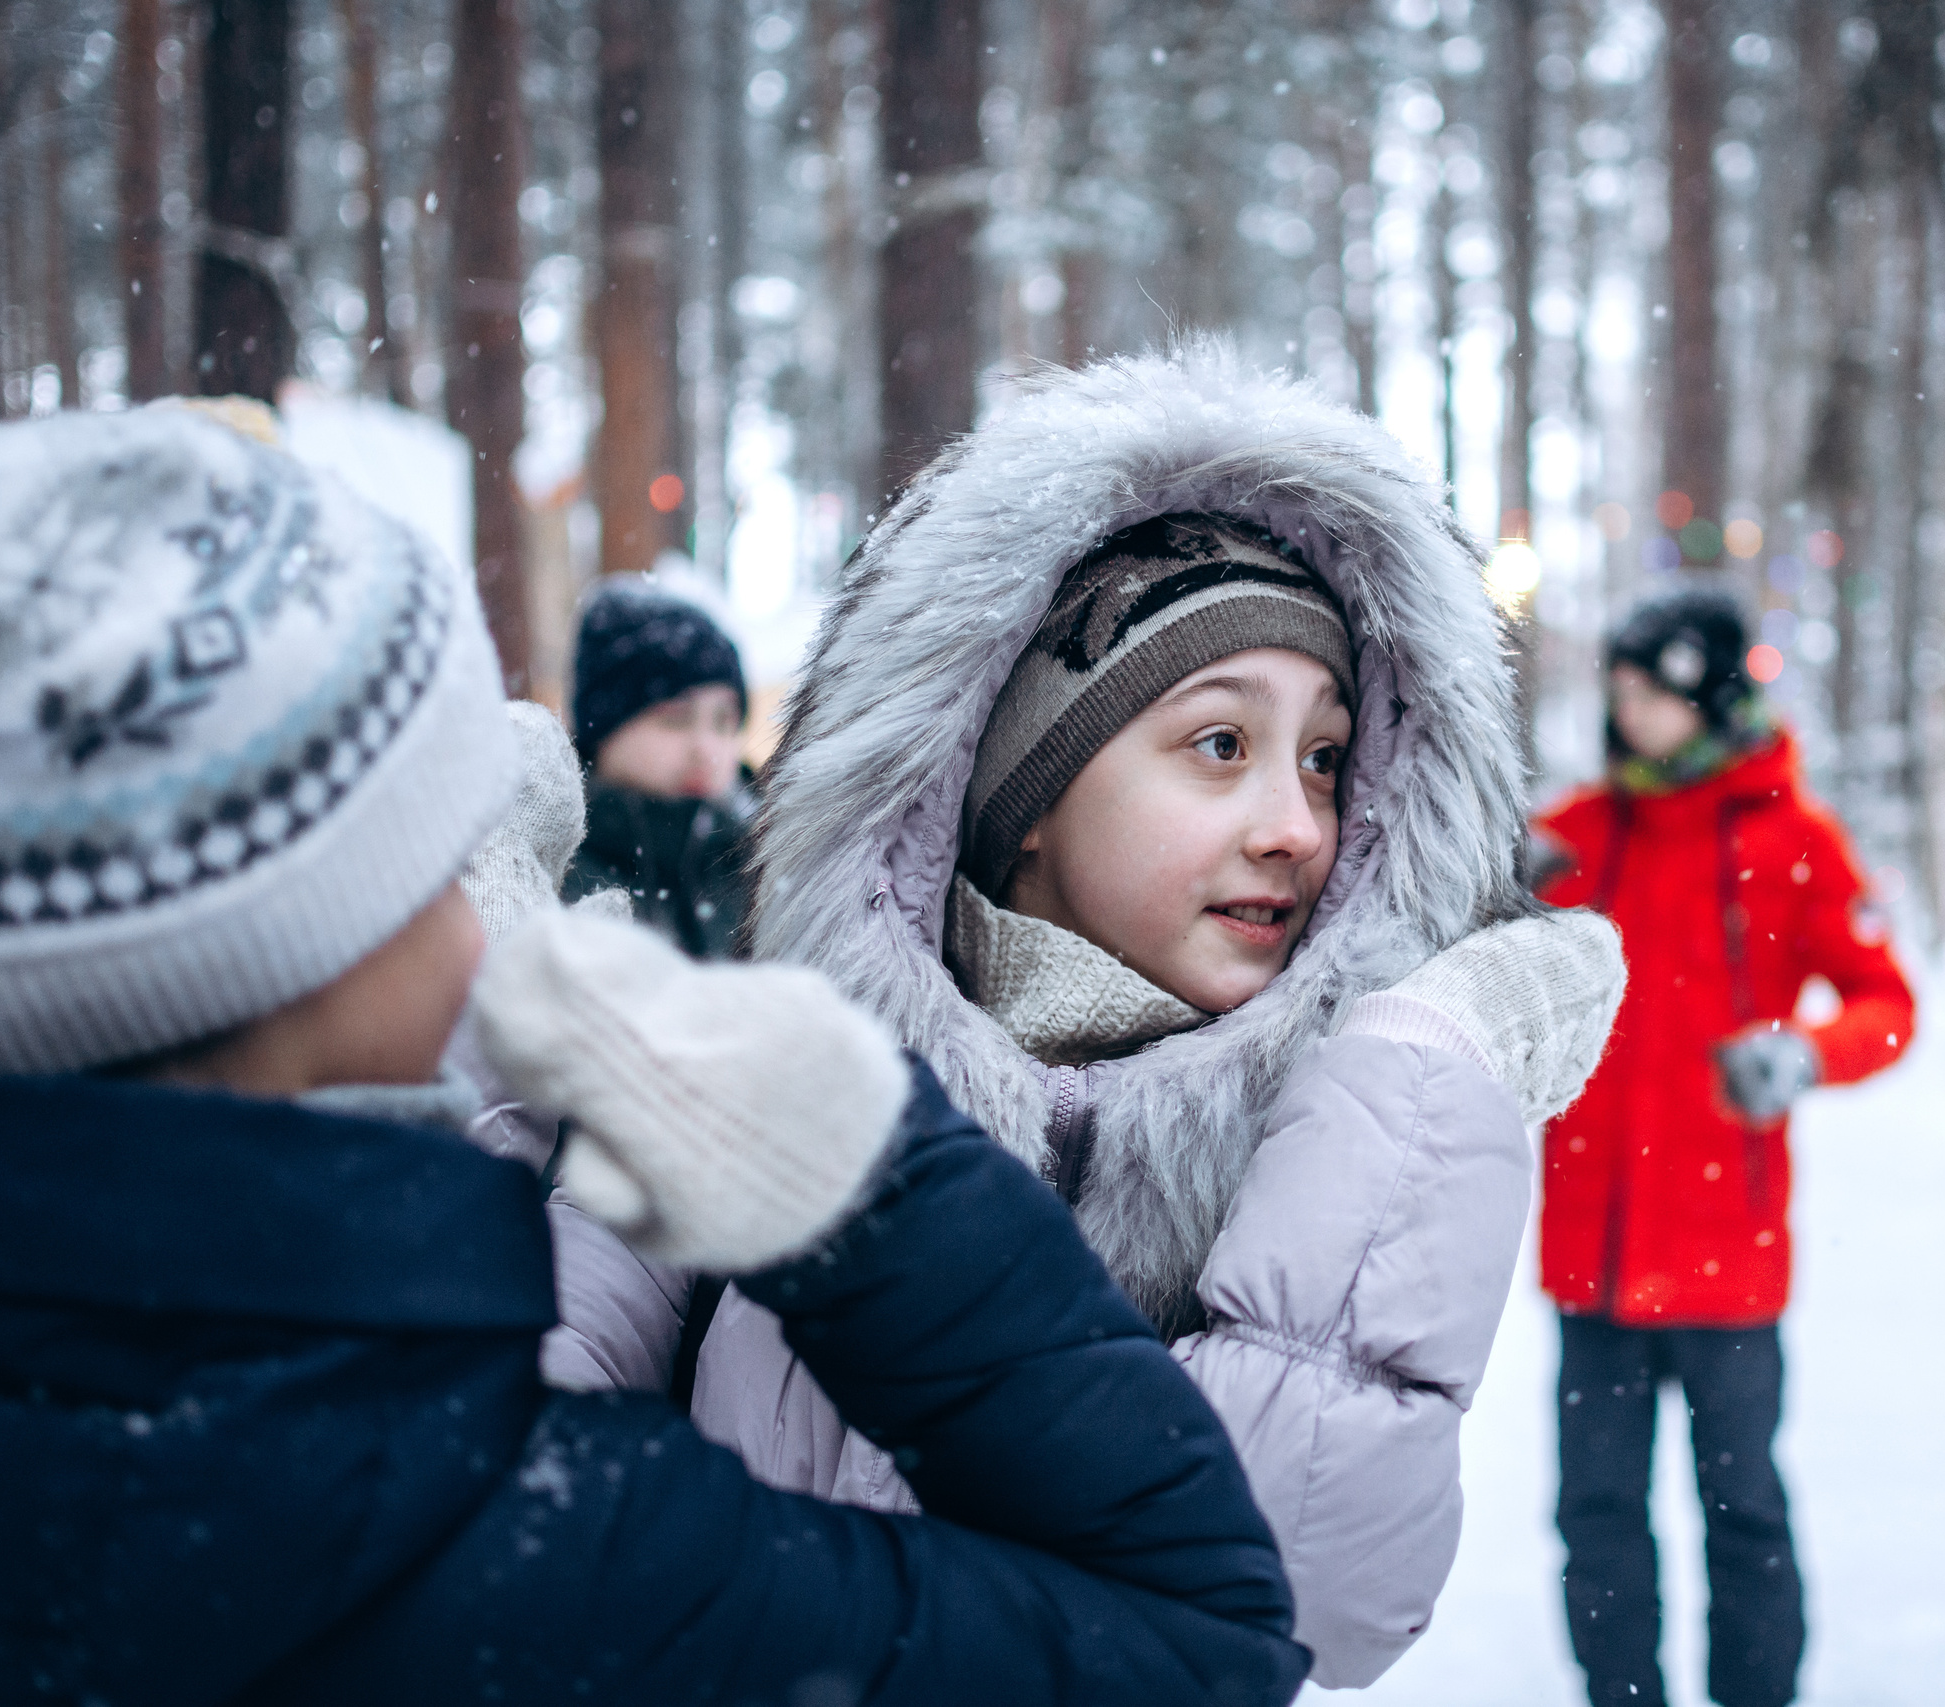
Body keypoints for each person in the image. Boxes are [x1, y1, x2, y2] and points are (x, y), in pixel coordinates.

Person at [0, 409, 1312, 1707]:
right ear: (315, 943)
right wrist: (863, 1174)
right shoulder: (523, 1560)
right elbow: (1189, 1632)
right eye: (440, 854)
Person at [541, 345, 1628, 1688]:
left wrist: (1417, 1073)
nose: (1299, 826)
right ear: (1028, 792)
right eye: (1220, 743)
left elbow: (1316, 1585)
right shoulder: (774, 1076)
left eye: (1326, 759)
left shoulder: (1321, 1161)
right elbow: (527, 1466)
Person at [1531, 588, 1917, 1707]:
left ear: (1709, 696)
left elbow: (1886, 1003)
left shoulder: (1792, 841)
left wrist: (1806, 1054)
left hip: (1724, 1255)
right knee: (1596, 1515)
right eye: (1618, 689)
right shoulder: (1575, 837)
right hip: (1592, 1256)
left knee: (1742, 1512)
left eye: (1650, 690)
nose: (1628, 712)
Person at [561, 578, 751, 959]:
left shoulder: (768, 861)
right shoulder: (551, 872)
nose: (706, 750)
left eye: (723, 723)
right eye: (676, 719)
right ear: (603, 730)